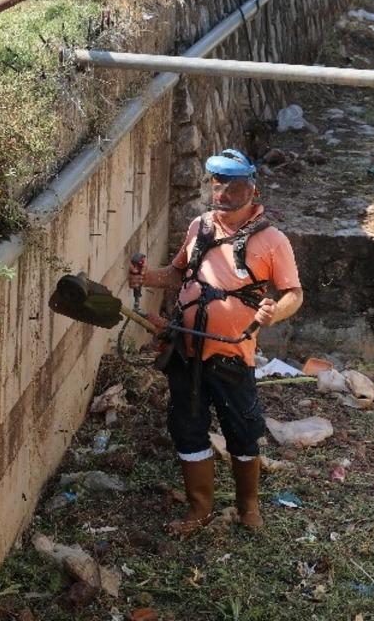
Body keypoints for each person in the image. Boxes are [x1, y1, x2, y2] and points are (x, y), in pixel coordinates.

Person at [129, 148, 303, 534]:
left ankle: (249, 508)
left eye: (233, 185)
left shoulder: (273, 241)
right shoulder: (199, 227)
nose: (223, 192)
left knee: (242, 430)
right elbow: (177, 274)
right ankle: (199, 511)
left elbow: (294, 293)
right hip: (187, 350)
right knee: (187, 427)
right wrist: (147, 279)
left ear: (251, 190)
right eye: (217, 183)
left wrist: (276, 312)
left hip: (232, 355)